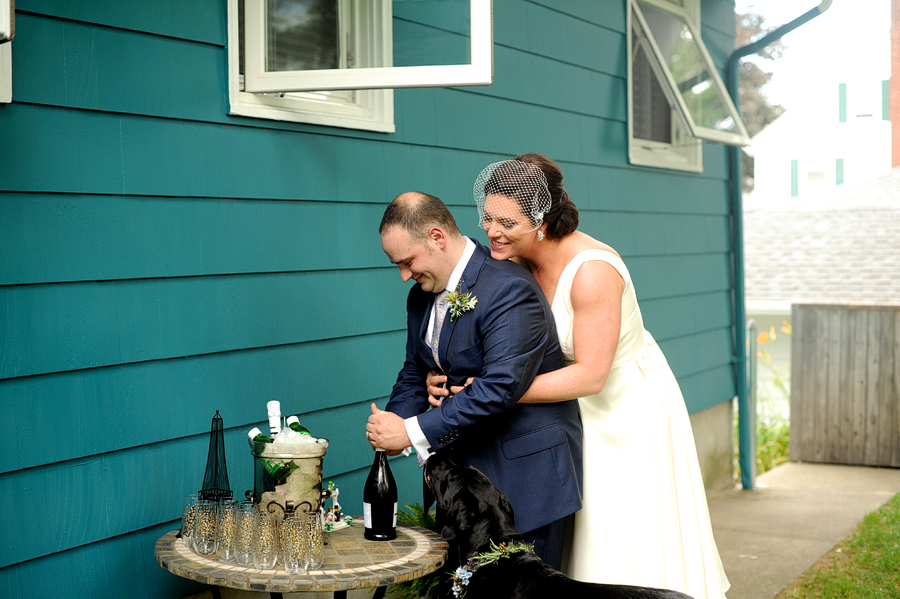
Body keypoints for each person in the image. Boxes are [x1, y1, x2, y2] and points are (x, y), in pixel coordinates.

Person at [427, 155, 730, 599]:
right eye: (487, 216)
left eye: (507, 221)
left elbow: (591, 376)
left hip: (621, 410)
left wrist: (494, 392)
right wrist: (449, 375)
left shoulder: (591, 273)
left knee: (621, 530)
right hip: (562, 411)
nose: (491, 230)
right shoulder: (512, 261)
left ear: (541, 220)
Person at [366, 191, 583, 569]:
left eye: (408, 262)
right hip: (463, 494)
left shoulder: (507, 288)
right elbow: (416, 369)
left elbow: (498, 388)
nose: (404, 275)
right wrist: (395, 422)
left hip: (524, 481)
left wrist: (413, 431)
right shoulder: (421, 296)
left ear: (437, 237)